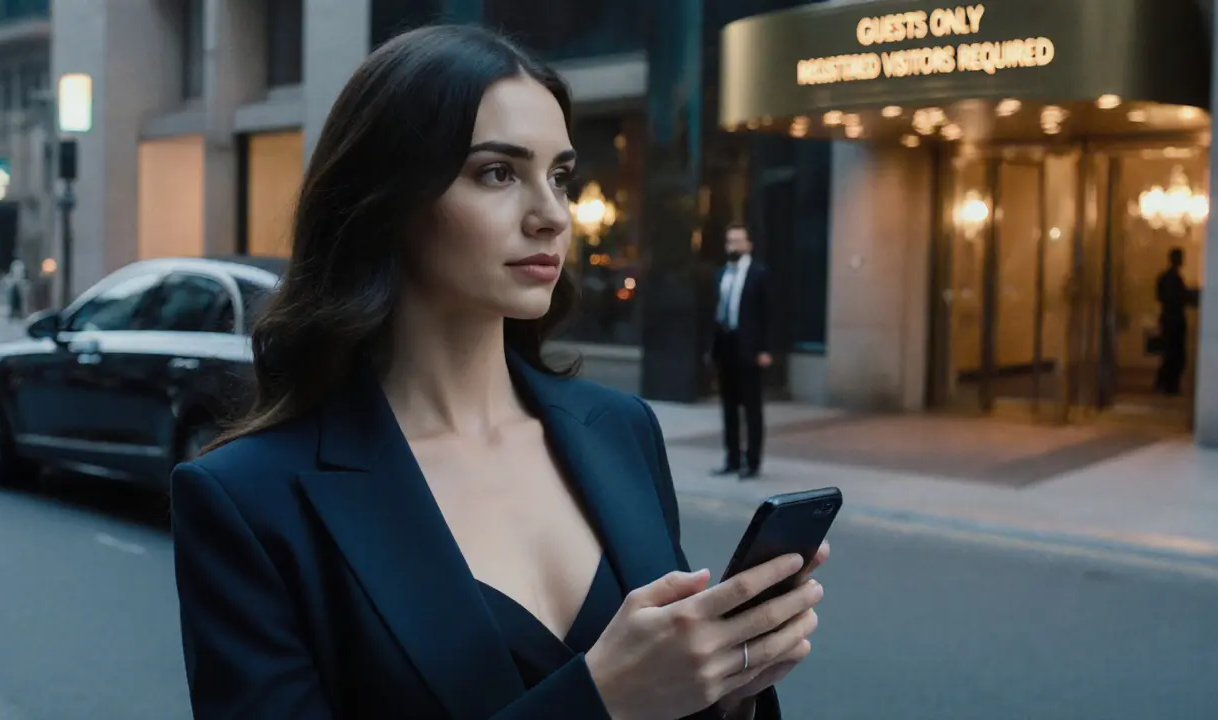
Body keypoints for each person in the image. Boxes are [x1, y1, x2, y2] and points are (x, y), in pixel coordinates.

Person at [170, 25, 828, 720]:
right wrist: (601, 702)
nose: (551, 216)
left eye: (561, 176)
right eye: (497, 172)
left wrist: (726, 690)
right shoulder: (247, 500)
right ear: (388, 199)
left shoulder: (619, 430)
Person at [710, 224, 772, 480]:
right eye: (729, 241)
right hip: (725, 345)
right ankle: (732, 458)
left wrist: (766, 348)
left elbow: (769, 313)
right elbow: (714, 313)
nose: (732, 246)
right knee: (728, 407)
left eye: (737, 241)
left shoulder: (760, 274)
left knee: (752, 408)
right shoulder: (722, 274)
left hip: (749, 349)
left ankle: (753, 461)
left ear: (748, 245)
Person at [1154, 247, 1199, 396]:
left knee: (1170, 354)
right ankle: (1169, 386)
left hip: (1169, 319)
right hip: (1174, 320)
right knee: (1175, 355)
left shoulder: (1166, 277)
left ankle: (1165, 384)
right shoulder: (1174, 278)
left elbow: (1161, 296)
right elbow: (1176, 297)